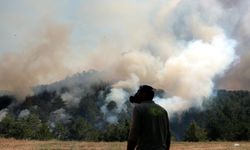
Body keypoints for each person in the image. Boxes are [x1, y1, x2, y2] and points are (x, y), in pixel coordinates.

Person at [127, 85, 171, 150]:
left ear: (144, 94)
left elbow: (134, 134)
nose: (137, 95)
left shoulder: (139, 108)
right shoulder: (163, 110)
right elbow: (168, 136)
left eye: (139, 93)